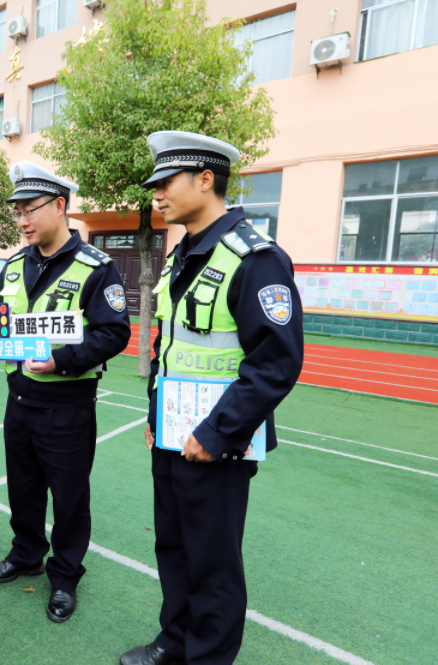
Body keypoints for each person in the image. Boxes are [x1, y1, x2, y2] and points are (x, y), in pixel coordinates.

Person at [118, 132, 304, 665]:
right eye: (153, 184)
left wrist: (217, 433)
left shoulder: (256, 258)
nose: (155, 195)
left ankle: (207, 656)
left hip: (219, 442)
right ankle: (175, 641)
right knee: (173, 549)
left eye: (166, 182)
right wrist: (157, 418)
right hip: (174, 433)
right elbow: (172, 347)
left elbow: (275, 363)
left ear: (205, 180)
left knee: (213, 562)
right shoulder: (185, 253)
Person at [0, 161, 131, 623]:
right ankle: (26, 553)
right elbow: (3, 321)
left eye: (31, 209)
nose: (23, 220)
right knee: (24, 489)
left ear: (61, 206)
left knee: (69, 498)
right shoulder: (13, 264)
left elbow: (114, 333)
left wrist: (62, 360)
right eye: (18, 212)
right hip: (19, 400)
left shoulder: (96, 269)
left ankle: (64, 576)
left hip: (67, 407)